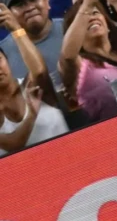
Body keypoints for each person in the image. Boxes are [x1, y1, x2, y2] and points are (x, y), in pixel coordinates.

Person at [0, 28, 68, 156]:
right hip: (28, 174)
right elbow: (13, 145)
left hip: (69, 157)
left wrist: (16, 29)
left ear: (7, 61)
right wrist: (31, 115)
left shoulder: (31, 85)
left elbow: (39, 71)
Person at [0, 0, 65, 86]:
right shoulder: (3, 53)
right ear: (8, 13)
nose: (29, 7)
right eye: (20, 5)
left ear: (46, 0)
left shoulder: (70, 28)